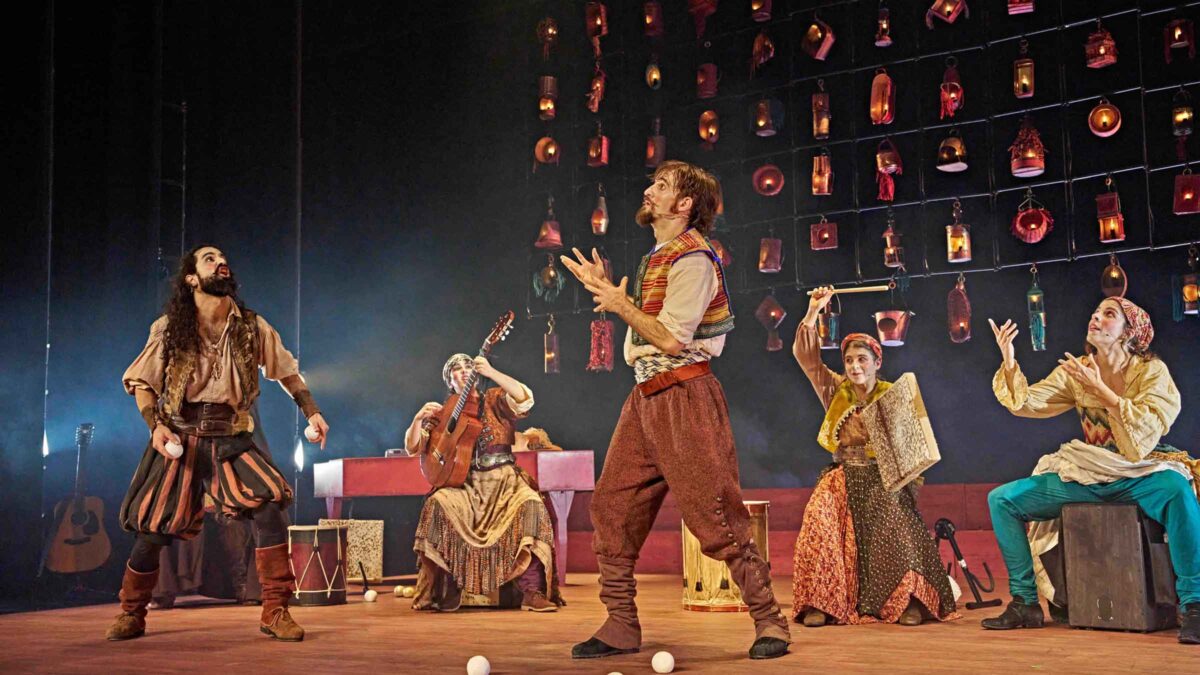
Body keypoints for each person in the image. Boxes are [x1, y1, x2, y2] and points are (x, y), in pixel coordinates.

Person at [561, 160, 790, 661]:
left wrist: (618, 303)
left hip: (685, 396)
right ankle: (620, 624)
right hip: (644, 397)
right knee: (612, 507)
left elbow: (670, 338)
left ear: (685, 204)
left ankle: (769, 619)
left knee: (715, 513)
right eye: (653, 183)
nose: (650, 190)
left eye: (661, 186)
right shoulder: (658, 257)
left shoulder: (695, 261)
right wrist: (615, 296)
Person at [108, 245, 329, 642]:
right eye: (209, 258)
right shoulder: (169, 328)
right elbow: (142, 383)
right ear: (191, 278)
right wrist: (155, 427)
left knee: (269, 507)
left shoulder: (252, 326)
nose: (221, 262)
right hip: (181, 436)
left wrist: (311, 411)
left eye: (223, 258)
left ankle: (275, 611)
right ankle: (131, 612)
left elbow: (286, 372)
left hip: (230, 436)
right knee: (152, 528)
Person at [982, 297, 1200, 645]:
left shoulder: (1150, 372)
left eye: (1108, 314)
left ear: (1129, 332)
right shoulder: (1078, 370)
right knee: (1002, 500)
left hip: (1137, 474)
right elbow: (1027, 402)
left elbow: (1140, 441)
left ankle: (1194, 605)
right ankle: (1025, 603)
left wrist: (1101, 390)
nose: (1096, 318)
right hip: (1090, 475)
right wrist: (1009, 361)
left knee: (1177, 489)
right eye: (1096, 313)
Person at [790, 286, 957, 627]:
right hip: (843, 473)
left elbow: (911, 446)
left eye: (861, 359)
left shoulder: (892, 394)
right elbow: (807, 359)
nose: (854, 366)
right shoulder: (834, 389)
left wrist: (906, 487)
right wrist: (812, 313)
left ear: (877, 363)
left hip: (882, 476)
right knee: (819, 516)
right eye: (849, 360)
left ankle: (907, 600)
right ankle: (821, 602)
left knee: (897, 522)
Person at [405, 354, 561, 613]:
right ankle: (447, 589)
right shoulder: (442, 413)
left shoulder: (495, 398)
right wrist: (418, 419)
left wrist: (492, 372)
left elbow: (525, 398)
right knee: (436, 505)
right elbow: (413, 447)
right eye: (456, 369)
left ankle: (532, 591)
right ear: (449, 380)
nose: (464, 370)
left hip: (504, 480)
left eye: (468, 366)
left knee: (532, 504)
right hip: (464, 483)